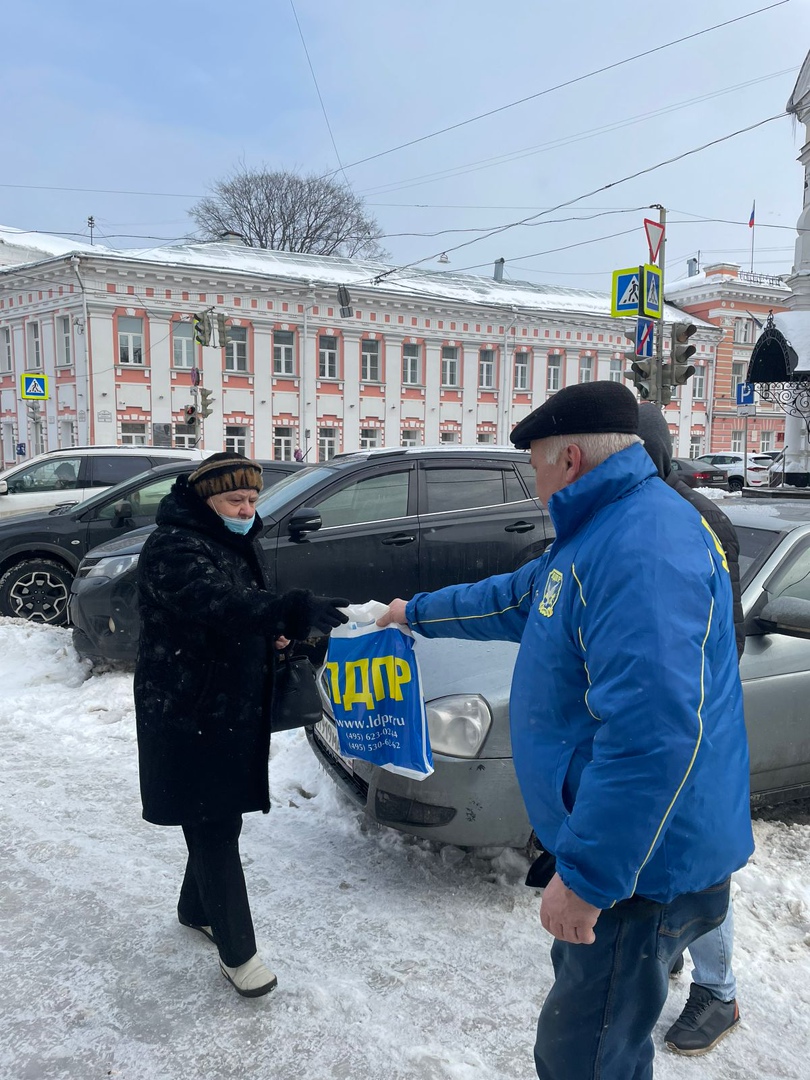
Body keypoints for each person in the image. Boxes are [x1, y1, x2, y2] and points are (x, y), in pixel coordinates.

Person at [378, 382, 754, 1080]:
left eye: (536, 466)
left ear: (570, 459)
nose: (534, 483)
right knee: (597, 1042)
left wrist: (587, 879)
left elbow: (651, 737)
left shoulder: (641, 548)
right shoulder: (603, 529)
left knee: (585, 1057)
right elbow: (517, 598)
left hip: (639, 869)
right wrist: (415, 612)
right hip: (628, 852)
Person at [133, 451, 347, 997]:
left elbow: (241, 609)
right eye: (235, 500)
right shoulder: (173, 547)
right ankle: (239, 954)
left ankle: (195, 909)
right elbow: (219, 604)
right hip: (187, 708)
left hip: (222, 706)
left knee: (215, 814)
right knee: (212, 822)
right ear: (207, 501)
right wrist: (287, 611)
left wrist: (276, 632)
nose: (247, 509)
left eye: (252, 499)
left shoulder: (229, 540)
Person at [638, 404, 743, 1055]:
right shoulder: (632, 513)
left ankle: (719, 993)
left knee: (700, 861)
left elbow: (718, 633)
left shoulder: (698, 521)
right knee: (660, 852)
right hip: (655, 721)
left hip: (695, 722)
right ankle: (671, 945)